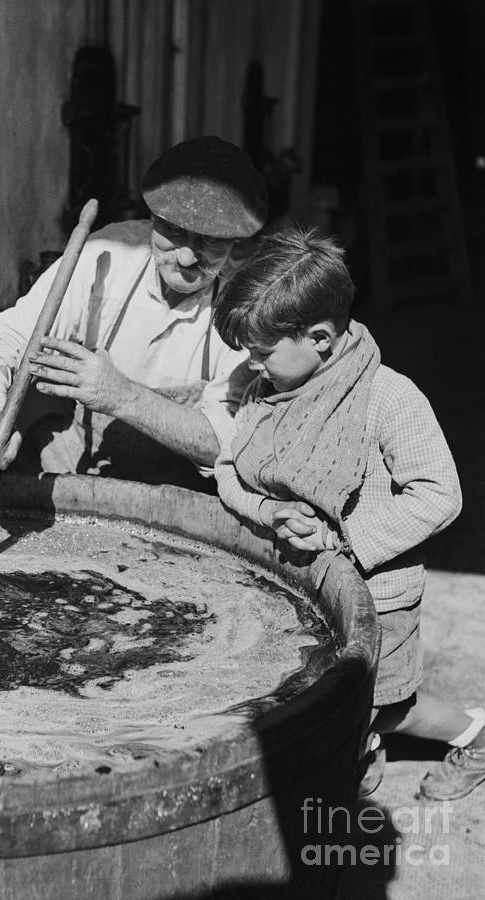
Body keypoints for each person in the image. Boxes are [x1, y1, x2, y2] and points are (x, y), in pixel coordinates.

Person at [212, 225, 485, 801]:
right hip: (300, 585)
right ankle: (360, 751)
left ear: (320, 337)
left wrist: (345, 542)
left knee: (386, 706)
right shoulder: (260, 388)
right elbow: (229, 468)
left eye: (263, 353)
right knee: (319, 699)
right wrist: (271, 509)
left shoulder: (389, 398)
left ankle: (473, 733)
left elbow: (440, 494)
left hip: (376, 594)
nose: (252, 366)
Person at [0, 136, 268, 491]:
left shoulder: (248, 302)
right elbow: (2, 341)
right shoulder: (107, 255)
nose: (186, 258)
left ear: (236, 243)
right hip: (81, 464)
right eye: (175, 232)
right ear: (153, 218)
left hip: (182, 494)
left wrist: (121, 396)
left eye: (210, 241)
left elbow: (226, 442)